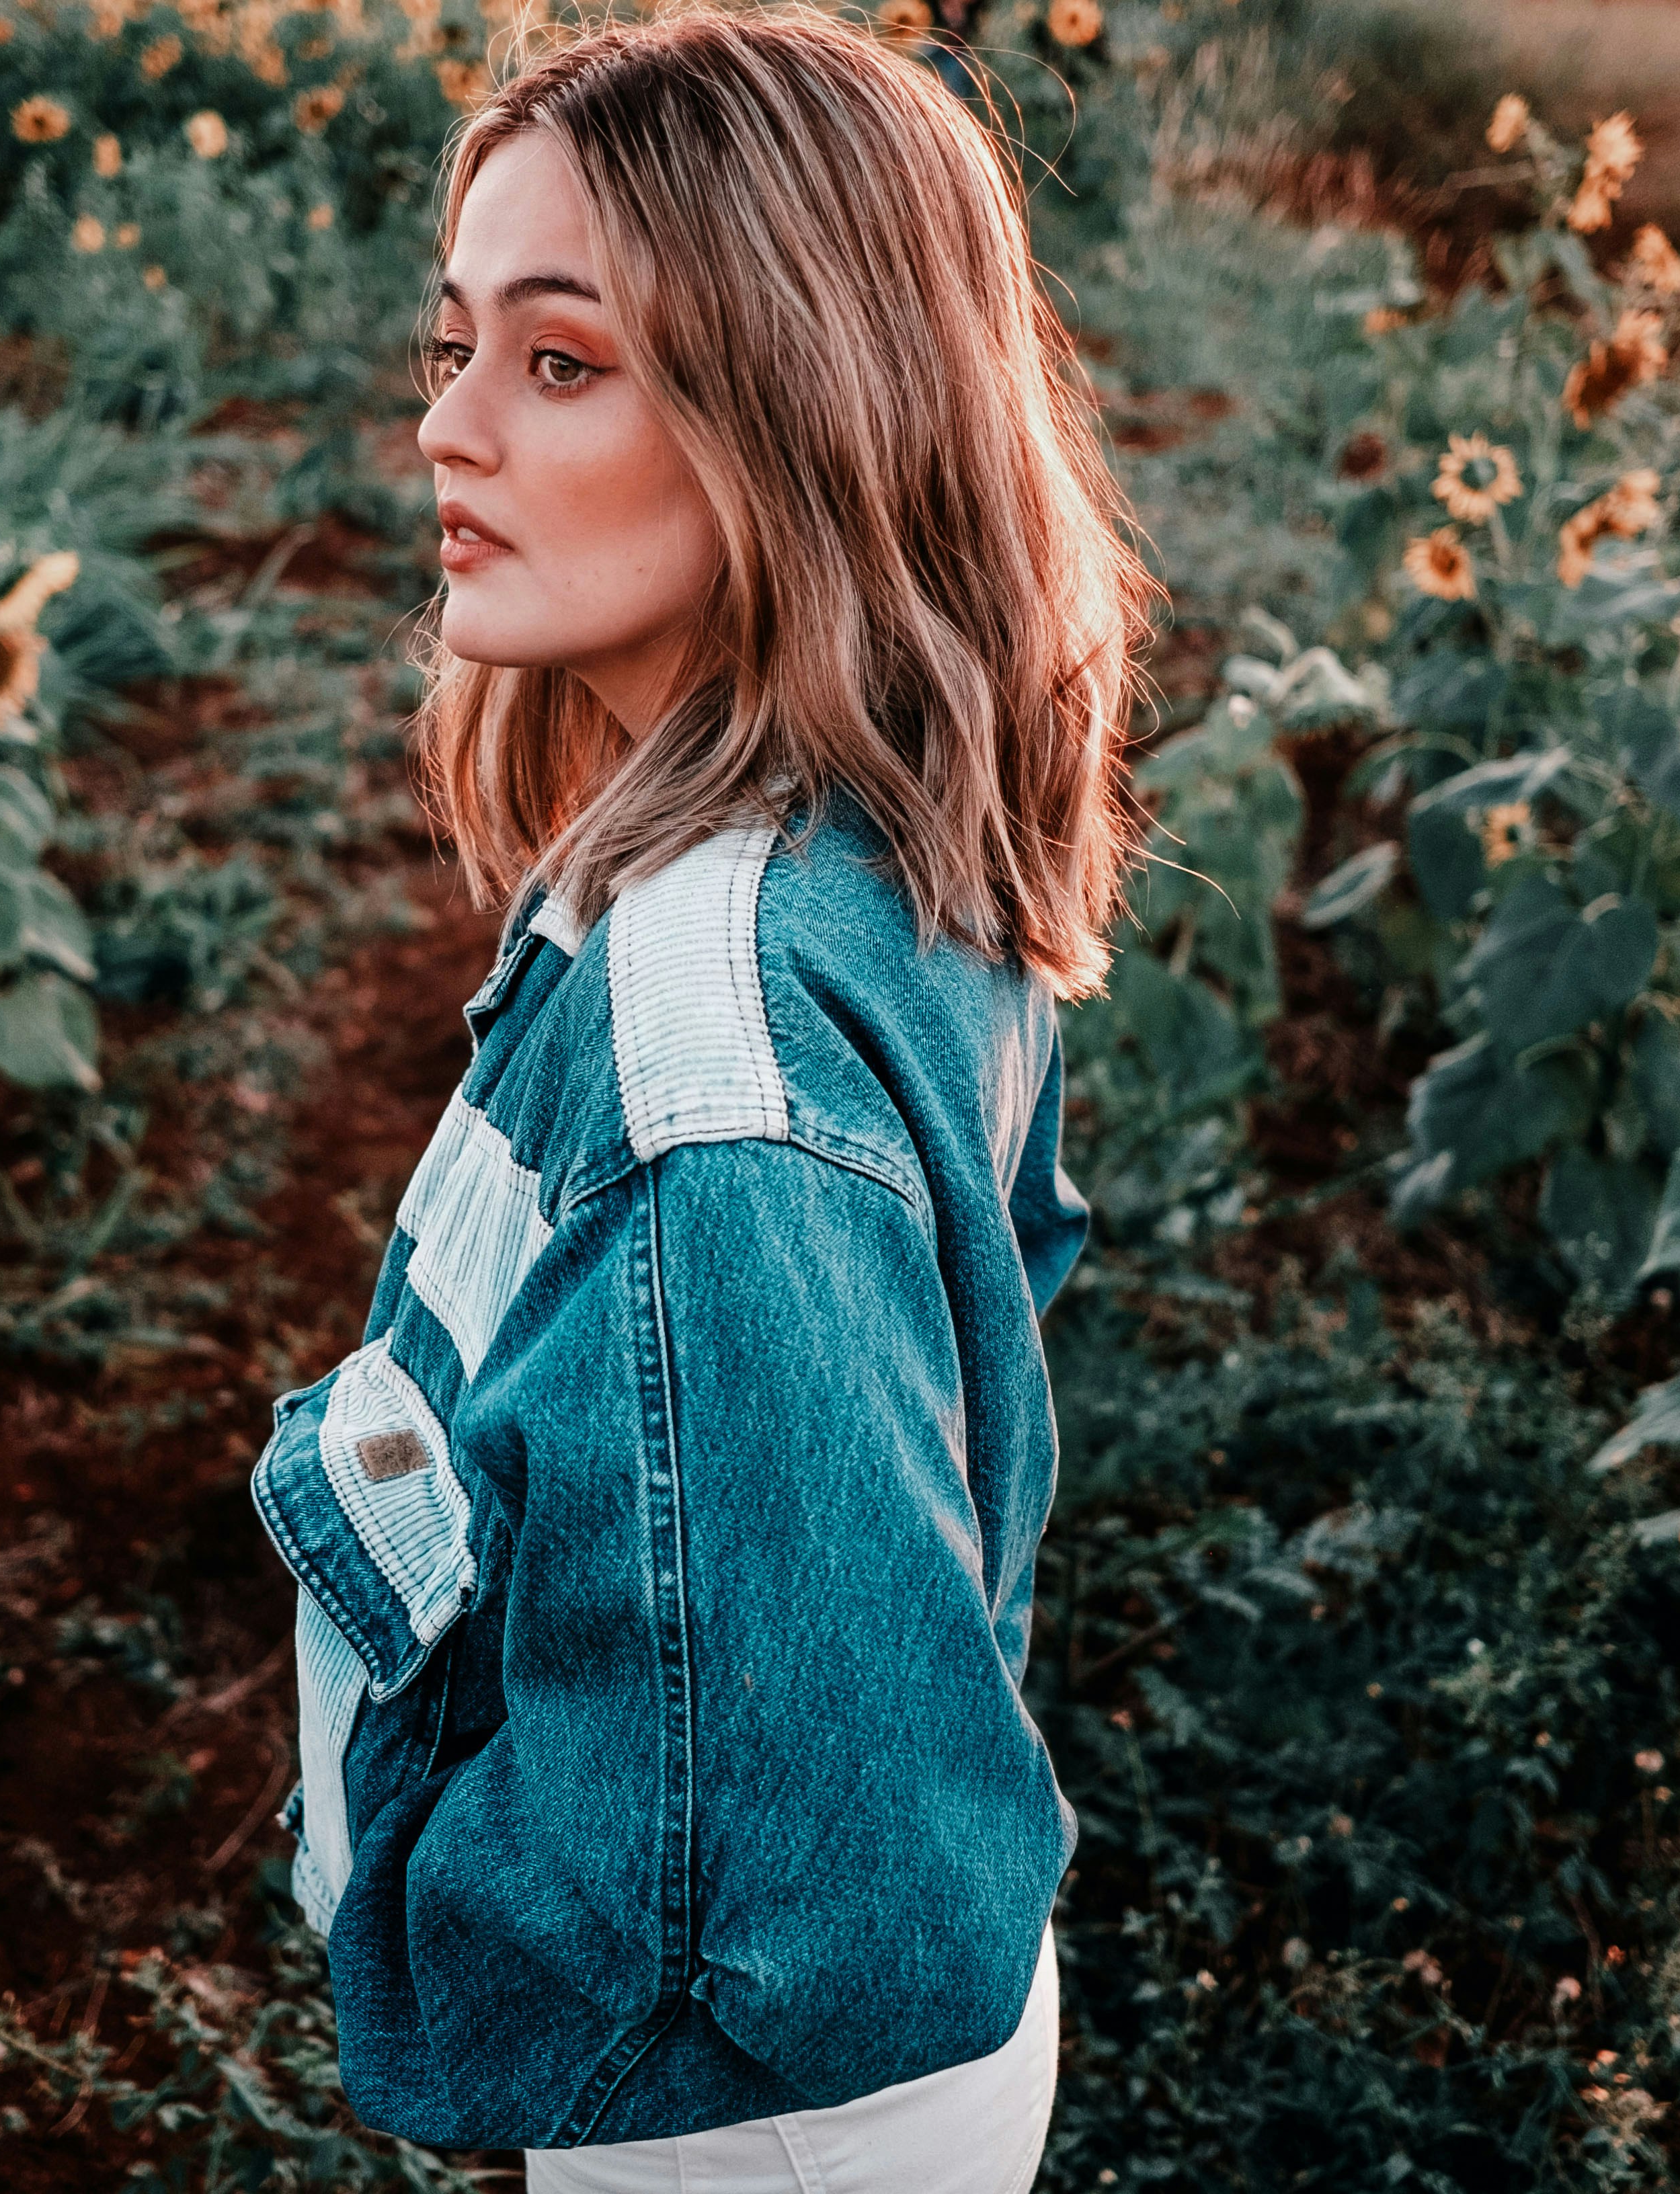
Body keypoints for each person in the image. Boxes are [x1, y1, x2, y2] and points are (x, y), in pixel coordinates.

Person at [248, 7, 1156, 2185]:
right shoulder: (859, 846)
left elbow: (785, 1877)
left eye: (563, 362)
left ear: (802, 414)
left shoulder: (714, 1058)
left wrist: (457, 1950)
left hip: (754, 2128)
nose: (450, 429)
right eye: (451, 343)